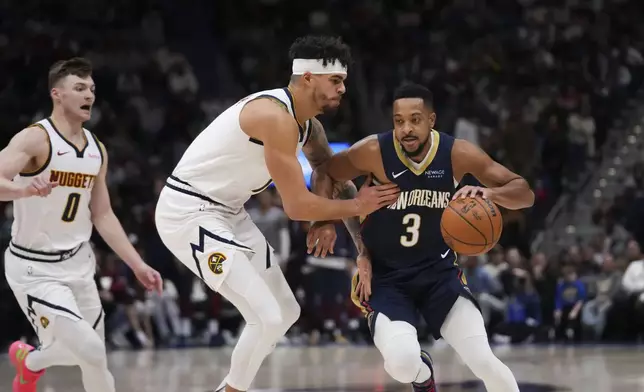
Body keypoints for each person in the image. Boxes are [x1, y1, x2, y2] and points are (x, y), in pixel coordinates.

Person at [154, 35, 399, 392]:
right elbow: (297, 206)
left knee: (286, 313)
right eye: (336, 80)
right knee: (266, 317)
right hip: (188, 213)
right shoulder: (274, 117)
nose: (343, 89)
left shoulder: (309, 127)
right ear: (308, 78)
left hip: (229, 212)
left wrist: (351, 238)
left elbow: (330, 175)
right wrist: (358, 205)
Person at [310, 83, 534, 392]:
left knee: (482, 359)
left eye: (415, 119)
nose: (406, 129)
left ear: (431, 120)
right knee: (402, 363)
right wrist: (324, 219)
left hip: (438, 274)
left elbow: (525, 193)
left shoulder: (457, 153)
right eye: (399, 121)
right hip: (386, 278)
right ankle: (422, 376)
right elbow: (325, 172)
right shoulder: (375, 151)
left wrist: (490, 192)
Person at [0, 57, 162, 392]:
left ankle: (29, 362)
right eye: (79, 88)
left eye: (91, 89)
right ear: (56, 94)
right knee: (89, 350)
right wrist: (22, 188)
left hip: (78, 262)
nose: (89, 94)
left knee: (93, 354)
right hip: (35, 268)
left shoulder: (96, 150)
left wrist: (137, 264)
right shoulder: (35, 140)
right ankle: (31, 361)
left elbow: (102, 215)